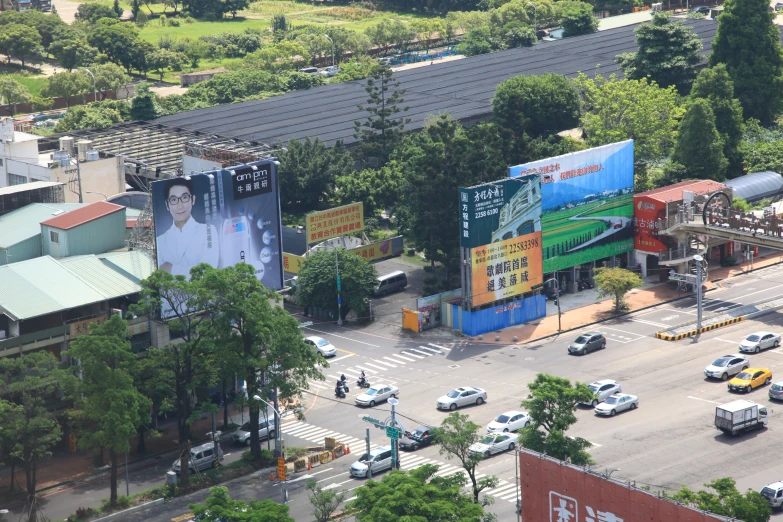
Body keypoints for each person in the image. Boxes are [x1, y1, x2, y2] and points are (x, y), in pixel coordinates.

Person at [156, 177, 219, 277]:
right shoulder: (159, 242)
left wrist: (171, 269)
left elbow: (207, 274)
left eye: (184, 197)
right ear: (167, 205)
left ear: (193, 200)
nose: (180, 206)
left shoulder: (208, 231)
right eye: (173, 200)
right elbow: (160, 280)